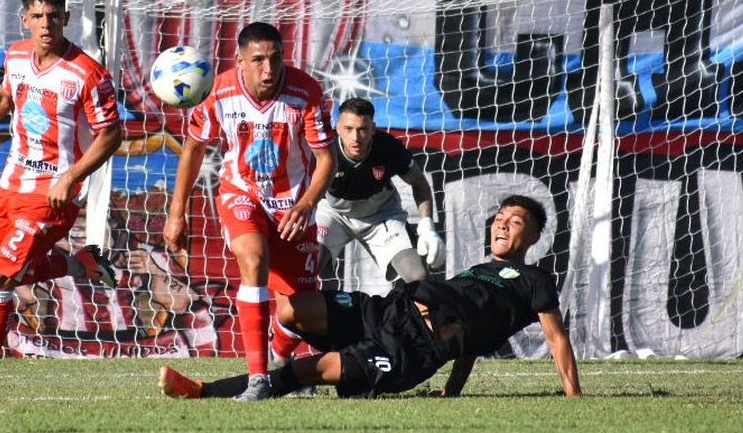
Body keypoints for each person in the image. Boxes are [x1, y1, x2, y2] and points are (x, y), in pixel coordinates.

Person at [158, 195, 582, 400]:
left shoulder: (533, 280)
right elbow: (469, 345)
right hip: (386, 309)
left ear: (534, 235)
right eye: (500, 218)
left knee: (308, 370)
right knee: (293, 307)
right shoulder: (476, 272)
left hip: (410, 348)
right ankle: (340, 363)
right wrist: (453, 392)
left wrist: (573, 397)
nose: (503, 225)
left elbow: (557, 340)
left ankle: (202, 391)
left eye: (516, 220)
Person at [0, 0, 123, 392]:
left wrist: (70, 177)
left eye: (54, 15)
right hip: (10, 186)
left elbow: (111, 135)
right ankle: (79, 264)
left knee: (0, 280)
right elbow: (4, 98)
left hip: (51, 195)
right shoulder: (17, 57)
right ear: (25, 20)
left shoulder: (88, 74)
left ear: (67, 18)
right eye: (37, 16)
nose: (46, 23)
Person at [163, 22, 336, 401]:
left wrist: (307, 205)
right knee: (253, 260)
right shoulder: (218, 91)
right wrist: (177, 211)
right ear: (239, 60)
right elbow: (193, 150)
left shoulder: (305, 92)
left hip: (294, 206)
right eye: (258, 60)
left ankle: (282, 366)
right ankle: (258, 378)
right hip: (243, 195)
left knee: (298, 310)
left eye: (275, 58)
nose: (268, 69)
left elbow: (326, 158)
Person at [318, 98, 445, 287]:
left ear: (373, 128)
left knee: (418, 277)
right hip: (334, 214)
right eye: (349, 129)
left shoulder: (388, 147)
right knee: (308, 264)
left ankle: (414, 316)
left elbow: (420, 184)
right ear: (337, 128)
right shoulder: (324, 149)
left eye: (363, 129)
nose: (356, 138)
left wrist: (427, 226)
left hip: (381, 215)